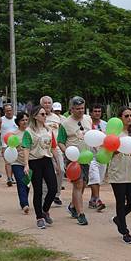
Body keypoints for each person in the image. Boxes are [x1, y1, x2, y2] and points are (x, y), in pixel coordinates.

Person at [106, 107, 131, 244]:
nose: (130, 118)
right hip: (118, 172)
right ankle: (124, 231)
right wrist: (114, 150)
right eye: (126, 116)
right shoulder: (114, 133)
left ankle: (118, 218)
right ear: (120, 118)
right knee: (120, 201)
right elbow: (106, 151)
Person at [57, 96, 92, 226]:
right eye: (77, 109)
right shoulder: (65, 123)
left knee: (83, 185)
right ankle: (81, 214)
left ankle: (73, 206)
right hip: (73, 159)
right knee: (78, 184)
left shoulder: (88, 119)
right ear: (71, 109)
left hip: (86, 157)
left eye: (82, 108)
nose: (80, 111)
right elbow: (60, 141)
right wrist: (67, 152)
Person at [22, 105, 58, 229]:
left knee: (53, 188)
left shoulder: (49, 130)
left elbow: (53, 146)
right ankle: (39, 217)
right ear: (35, 116)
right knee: (37, 191)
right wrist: (26, 164)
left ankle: (45, 210)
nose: (45, 116)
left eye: (45, 114)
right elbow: (26, 147)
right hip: (34, 161)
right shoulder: (29, 131)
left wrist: (57, 162)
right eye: (42, 114)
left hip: (47, 160)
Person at [43, 97, 65, 206]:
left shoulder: (57, 118)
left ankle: (57, 194)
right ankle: (45, 196)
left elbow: (61, 131)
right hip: (44, 147)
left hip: (56, 147)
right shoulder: (37, 117)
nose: (47, 105)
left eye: (49, 103)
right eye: (45, 103)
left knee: (61, 169)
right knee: (46, 172)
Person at [87, 103, 108, 212]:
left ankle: (93, 199)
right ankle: (98, 200)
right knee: (94, 176)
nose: (97, 113)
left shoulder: (105, 124)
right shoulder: (87, 124)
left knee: (98, 179)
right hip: (90, 155)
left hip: (103, 155)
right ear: (91, 112)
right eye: (95, 111)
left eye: (99, 111)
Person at [9, 112, 31, 214]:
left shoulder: (31, 132)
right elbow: (10, 148)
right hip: (17, 162)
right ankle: (24, 204)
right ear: (18, 122)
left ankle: (24, 200)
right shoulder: (14, 134)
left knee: (27, 184)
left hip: (30, 162)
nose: (25, 122)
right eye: (22, 120)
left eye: (26, 120)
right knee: (21, 182)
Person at [0, 102, 19, 186]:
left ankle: (13, 176)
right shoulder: (1, 120)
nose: (9, 112)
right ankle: (9, 178)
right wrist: (1, 139)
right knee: (8, 161)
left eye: (10, 110)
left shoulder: (16, 119)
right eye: (7, 110)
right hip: (5, 144)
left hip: (16, 144)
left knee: (15, 161)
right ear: (4, 111)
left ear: (13, 110)